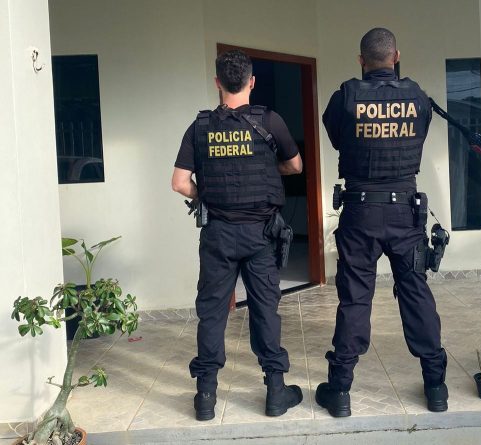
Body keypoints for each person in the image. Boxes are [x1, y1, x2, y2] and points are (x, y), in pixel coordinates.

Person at [316, 28, 448, 417]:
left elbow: (337, 139)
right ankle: (436, 387)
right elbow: (419, 137)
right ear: (396, 57)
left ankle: (340, 391)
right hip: (405, 212)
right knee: (415, 292)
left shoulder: (345, 98)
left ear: (361, 60)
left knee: (355, 297)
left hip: (360, 212)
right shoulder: (417, 98)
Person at [172, 49, 304, 421]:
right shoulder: (270, 121)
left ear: (217, 83)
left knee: (212, 313)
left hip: (217, 234)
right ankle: (275, 392)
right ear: (252, 82)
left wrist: (206, 194)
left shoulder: (199, 127)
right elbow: (295, 165)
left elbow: (179, 183)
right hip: (261, 235)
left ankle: (205, 397)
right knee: (265, 310)